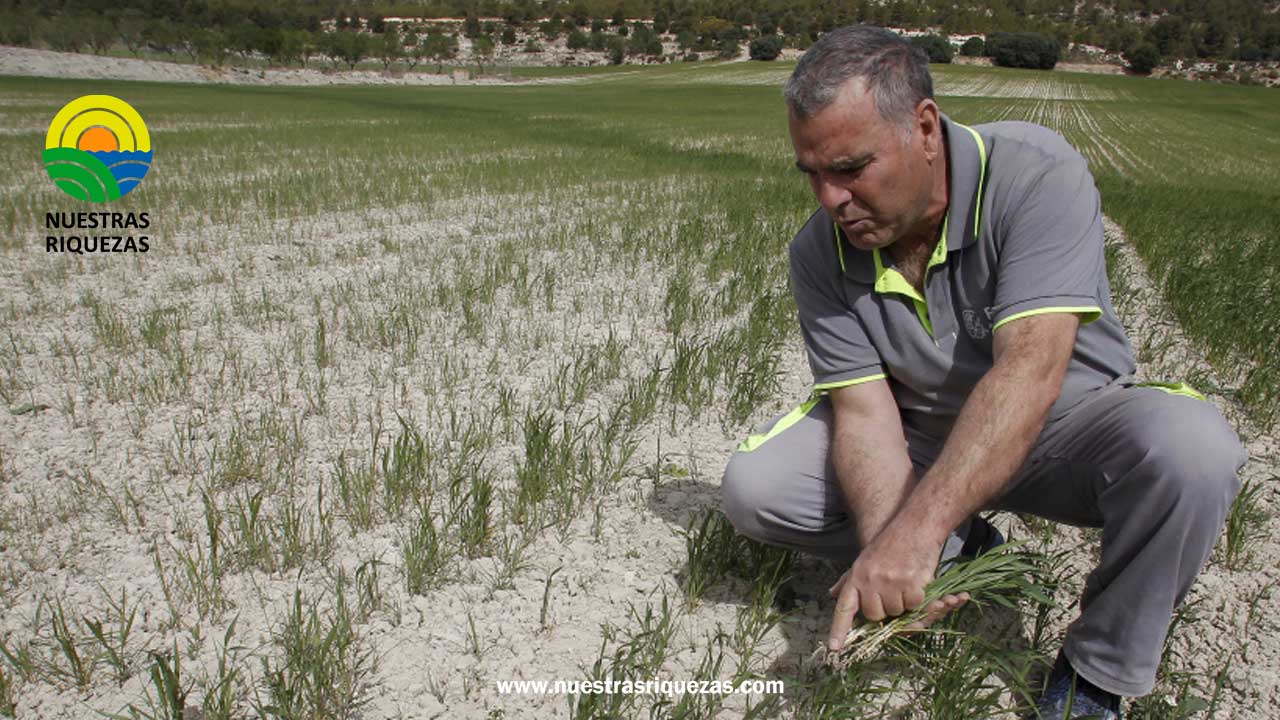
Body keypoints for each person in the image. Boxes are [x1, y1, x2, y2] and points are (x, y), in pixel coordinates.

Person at [719, 25, 1246, 719]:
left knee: (1194, 451)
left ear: (925, 127)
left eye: (850, 168)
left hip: (1061, 425)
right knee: (756, 487)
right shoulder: (820, 252)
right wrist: (893, 542)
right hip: (923, 439)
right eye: (811, 173)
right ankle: (967, 550)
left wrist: (915, 534)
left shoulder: (1033, 174)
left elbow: (1029, 371)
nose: (829, 198)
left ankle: (1096, 674)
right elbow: (865, 414)